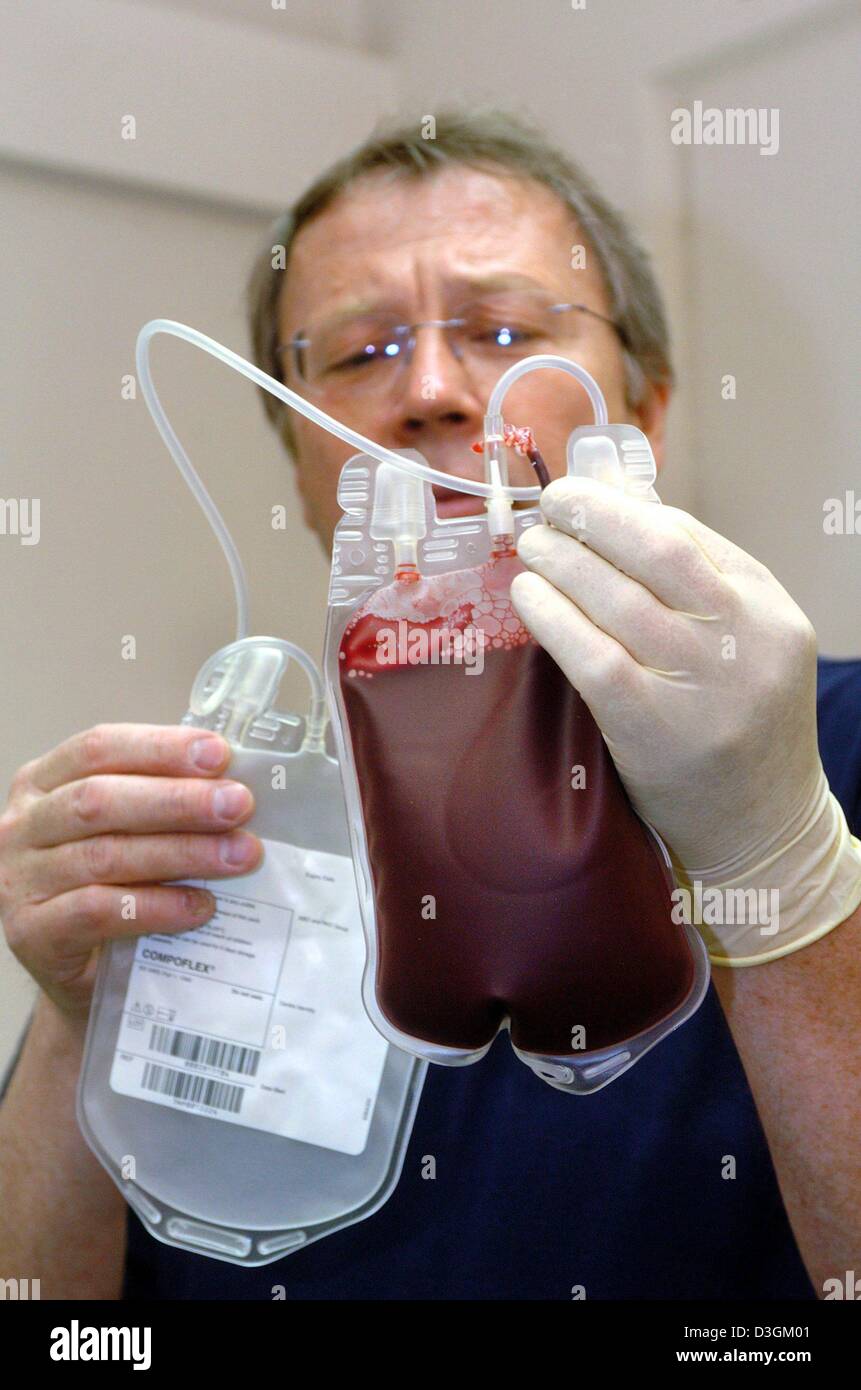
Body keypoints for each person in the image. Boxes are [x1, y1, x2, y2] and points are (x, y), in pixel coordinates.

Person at [1, 110, 859, 1302]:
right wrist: (79, 1018)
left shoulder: (839, 762)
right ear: (301, 458)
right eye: (358, 353)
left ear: (644, 414)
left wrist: (794, 874)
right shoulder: (206, 833)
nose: (434, 393)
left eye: (506, 331)